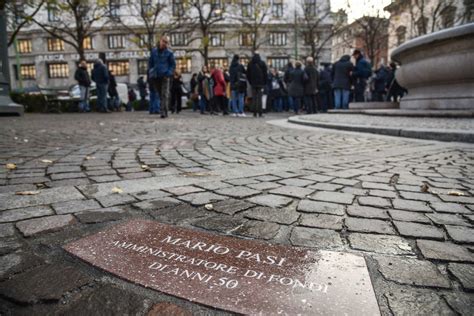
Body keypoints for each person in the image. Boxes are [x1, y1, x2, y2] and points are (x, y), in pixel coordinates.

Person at [148, 35, 176, 118]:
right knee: (160, 94)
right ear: (160, 41)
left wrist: (169, 72)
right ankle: (164, 109)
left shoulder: (169, 53)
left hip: (165, 76)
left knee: (165, 94)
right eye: (163, 41)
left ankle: (163, 111)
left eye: (166, 42)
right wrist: (151, 70)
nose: (164, 43)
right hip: (156, 76)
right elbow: (150, 62)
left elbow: (173, 65)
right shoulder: (154, 51)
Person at [247, 52, 268, 117]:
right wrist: (264, 82)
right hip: (261, 83)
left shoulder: (250, 63)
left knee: (254, 98)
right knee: (260, 98)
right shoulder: (262, 63)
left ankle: (254, 112)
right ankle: (260, 112)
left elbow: (248, 74)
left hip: (253, 83)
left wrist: (251, 82)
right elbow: (265, 74)